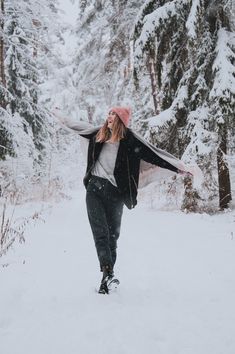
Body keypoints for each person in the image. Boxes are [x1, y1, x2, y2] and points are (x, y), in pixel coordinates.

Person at [53, 107, 190, 294]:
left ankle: (106, 279)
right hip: (94, 189)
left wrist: (178, 168)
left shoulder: (130, 140)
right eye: (108, 113)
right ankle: (107, 271)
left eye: (113, 114)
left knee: (112, 236)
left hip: (116, 194)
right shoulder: (97, 134)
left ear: (121, 121)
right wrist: (59, 115)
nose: (109, 117)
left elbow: (154, 154)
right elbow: (75, 125)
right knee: (100, 232)